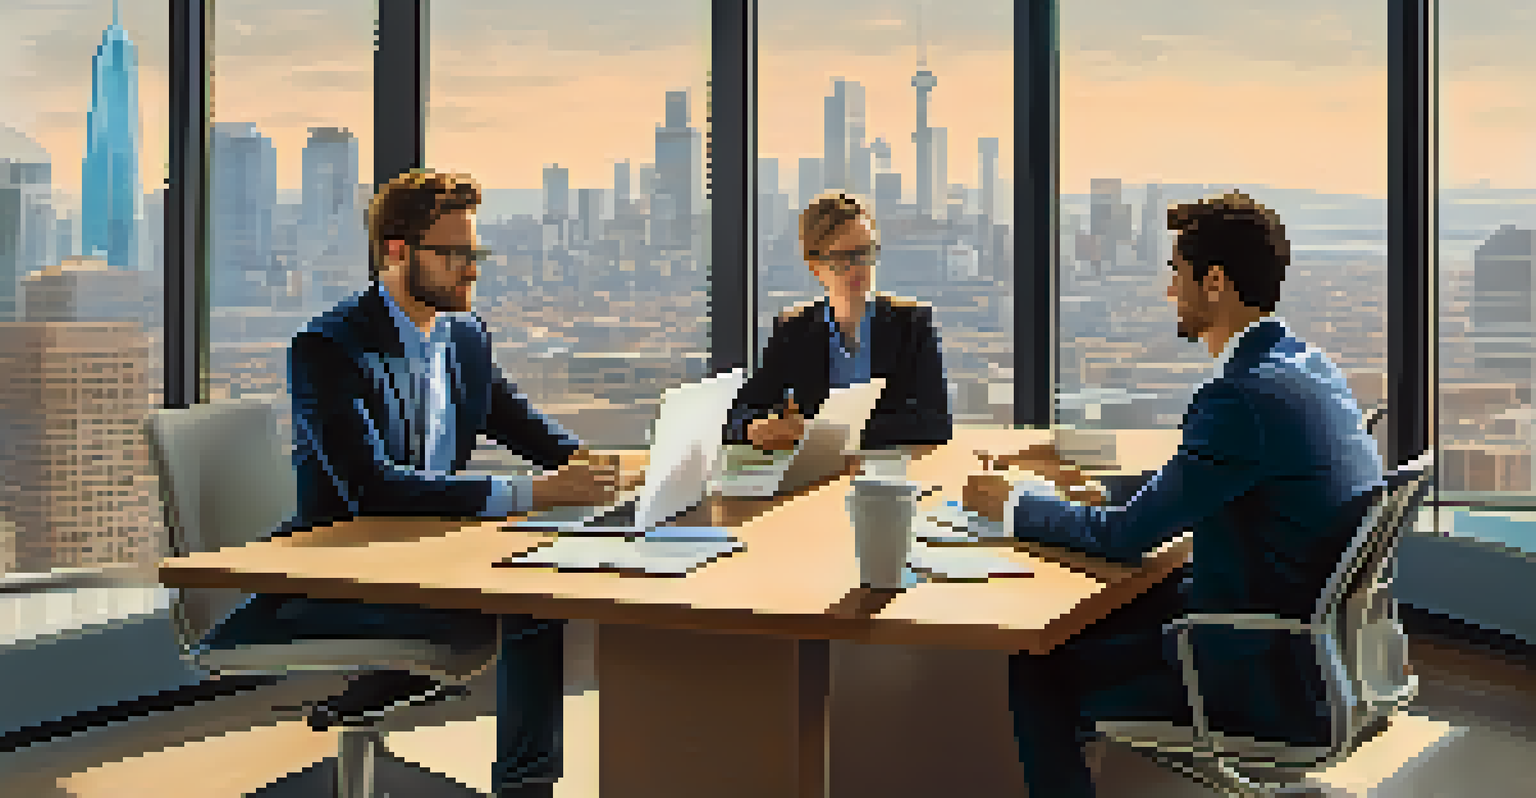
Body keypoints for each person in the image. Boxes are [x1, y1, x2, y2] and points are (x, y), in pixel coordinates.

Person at [196, 169, 614, 797]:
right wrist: (536, 494)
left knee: (538, 591)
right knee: (532, 602)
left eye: (475, 254)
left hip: (427, 562)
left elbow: (525, 428)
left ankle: (398, 701)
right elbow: (375, 492)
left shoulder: (463, 337)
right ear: (396, 252)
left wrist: (603, 467)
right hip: (341, 577)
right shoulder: (330, 347)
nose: (471, 271)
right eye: (455, 255)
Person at [964, 191, 1383, 797]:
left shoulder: (1239, 398)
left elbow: (1123, 539)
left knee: (1040, 667)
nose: (1169, 292)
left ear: (1213, 282)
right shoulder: (1308, 369)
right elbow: (1205, 478)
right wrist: (1096, 489)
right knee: (1101, 620)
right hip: (1313, 655)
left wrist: (1011, 506)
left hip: (1260, 673)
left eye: (1175, 273)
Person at [724, 191, 952, 453]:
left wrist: (818, 431)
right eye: (846, 257)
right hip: (815, 475)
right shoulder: (794, 328)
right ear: (815, 264)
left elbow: (935, 423)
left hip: (888, 472)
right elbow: (740, 414)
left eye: (866, 252)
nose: (860, 267)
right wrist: (756, 428)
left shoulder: (912, 324)